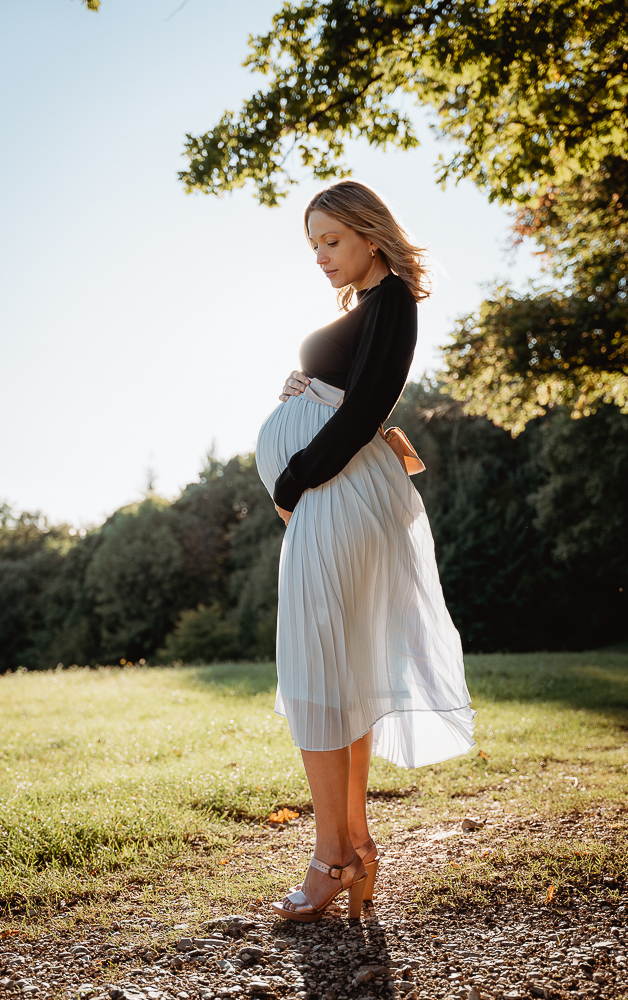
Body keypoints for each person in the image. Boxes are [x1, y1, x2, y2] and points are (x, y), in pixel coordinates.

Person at [255, 180, 475, 923]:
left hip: (335, 495)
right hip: (337, 495)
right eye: (311, 244)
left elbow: (365, 412)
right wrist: (306, 387)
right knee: (336, 676)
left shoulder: (393, 302)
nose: (319, 256)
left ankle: (332, 858)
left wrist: (293, 475)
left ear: (369, 235)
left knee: (317, 670)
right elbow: (350, 395)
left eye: (331, 241)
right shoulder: (372, 308)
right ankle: (354, 850)